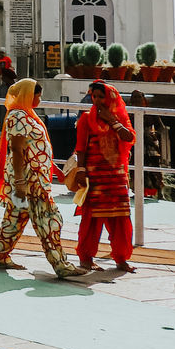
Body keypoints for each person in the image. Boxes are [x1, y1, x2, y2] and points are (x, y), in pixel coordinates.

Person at [0, 78, 85, 278]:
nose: (39, 98)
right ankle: (61, 265)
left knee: (15, 218)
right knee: (48, 219)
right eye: (37, 94)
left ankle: (1, 256)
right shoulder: (18, 116)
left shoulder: (27, 115)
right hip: (29, 181)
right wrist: (20, 182)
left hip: (33, 179)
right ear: (27, 95)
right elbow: (17, 149)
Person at [73, 80, 137, 272]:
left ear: (110, 99)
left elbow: (129, 138)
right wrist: (81, 170)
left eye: (102, 97)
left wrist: (112, 120)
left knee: (120, 217)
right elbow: (81, 148)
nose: (98, 100)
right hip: (95, 176)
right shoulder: (86, 119)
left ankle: (121, 258)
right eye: (95, 96)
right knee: (92, 219)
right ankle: (86, 258)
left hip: (116, 177)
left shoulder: (120, 118)